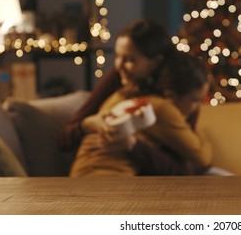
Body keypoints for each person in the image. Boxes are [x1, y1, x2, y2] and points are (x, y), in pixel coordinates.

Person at [59, 19, 210, 175]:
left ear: (156, 61)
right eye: (118, 56)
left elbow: (188, 165)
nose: (119, 65)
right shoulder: (121, 82)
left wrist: (133, 146)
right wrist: (87, 125)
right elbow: (64, 139)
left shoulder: (182, 93)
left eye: (130, 59)